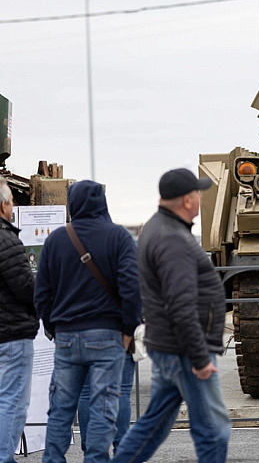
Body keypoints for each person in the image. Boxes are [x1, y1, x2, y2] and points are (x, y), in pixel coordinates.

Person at [112, 168, 230, 463]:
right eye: (199, 195)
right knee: (214, 430)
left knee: (153, 425)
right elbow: (180, 305)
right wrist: (200, 359)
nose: (201, 200)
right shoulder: (173, 238)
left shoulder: (155, 227)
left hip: (169, 346)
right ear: (188, 200)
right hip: (184, 351)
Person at [34, 180, 142, 463]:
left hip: (67, 336)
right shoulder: (118, 237)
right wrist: (128, 332)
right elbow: (132, 290)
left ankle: (53, 459)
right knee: (104, 407)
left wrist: (53, 327)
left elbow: (41, 293)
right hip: (108, 336)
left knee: (61, 408)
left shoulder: (56, 239)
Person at [0, 176, 37, 463]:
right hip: (11, 334)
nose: (13, 207)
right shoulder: (6, 238)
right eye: (12, 201)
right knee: (13, 401)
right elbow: (26, 287)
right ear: (3, 206)